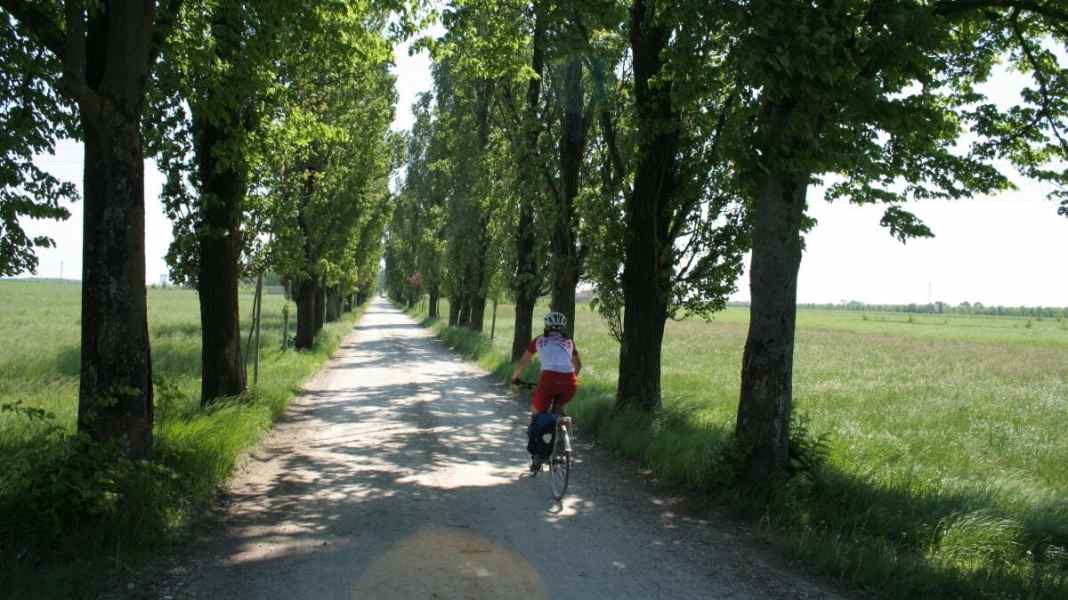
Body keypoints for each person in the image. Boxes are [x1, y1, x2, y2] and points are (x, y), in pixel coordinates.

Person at [511, 311, 581, 471]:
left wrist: (515, 378)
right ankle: (564, 438)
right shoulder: (569, 342)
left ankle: (537, 457)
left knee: (536, 414)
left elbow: (523, 362)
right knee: (557, 410)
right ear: (563, 327)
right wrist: (569, 379)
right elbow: (578, 365)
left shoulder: (539, 340)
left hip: (548, 380)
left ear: (547, 326)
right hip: (570, 382)